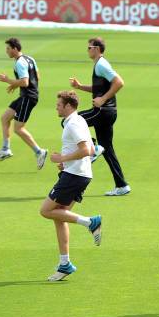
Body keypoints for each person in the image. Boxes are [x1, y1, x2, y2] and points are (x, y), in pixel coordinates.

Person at [40, 90, 102, 281]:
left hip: (74, 176)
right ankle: (64, 264)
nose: (56, 107)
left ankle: (90, 222)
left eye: (59, 104)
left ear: (68, 106)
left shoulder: (73, 124)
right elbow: (91, 149)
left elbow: (86, 150)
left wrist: (63, 158)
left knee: (45, 210)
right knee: (60, 217)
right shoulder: (77, 120)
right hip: (76, 173)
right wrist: (65, 162)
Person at [69, 37, 131, 196]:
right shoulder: (99, 65)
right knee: (108, 150)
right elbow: (99, 88)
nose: (87, 50)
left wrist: (103, 99)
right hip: (108, 112)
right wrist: (80, 86)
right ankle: (122, 185)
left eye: (89, 47)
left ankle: (93, 148)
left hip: (103, 111)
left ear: (96, 49)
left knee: (71, 121)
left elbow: (119, 82)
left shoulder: (102, 64)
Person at [0, 37, 48, 169]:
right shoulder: (30, 59)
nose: (6, 51)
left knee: (18, 128)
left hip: (28, 97)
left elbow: (25, 82)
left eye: (8, 48)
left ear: (15, 49)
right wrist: (15, 85)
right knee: (5, 118)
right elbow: (37, 76)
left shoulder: (19, 63)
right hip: (26, 96)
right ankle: (5, 149)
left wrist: (8, 81)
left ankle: (39, 152)